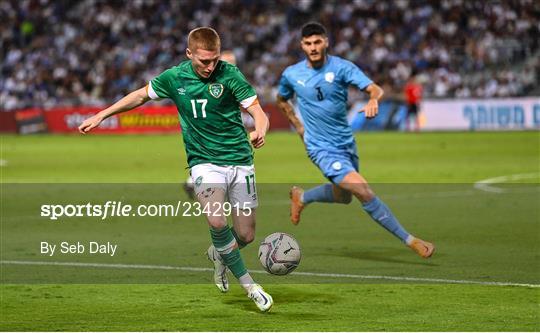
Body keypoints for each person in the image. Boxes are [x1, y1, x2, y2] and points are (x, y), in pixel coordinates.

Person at [78, 27, 273, 312]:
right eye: (204, 61)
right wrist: (102, 114)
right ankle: (250, 286)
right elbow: (140, 95)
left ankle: (221, 256)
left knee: (245, 235)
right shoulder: (174, 77)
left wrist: (261, 129)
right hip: (203, 162)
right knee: (217, 222)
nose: (210, 67)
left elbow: (258, 112)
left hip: (240, 160)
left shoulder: (230, 75)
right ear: (189, 54)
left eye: (214, 60)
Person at [276, 22, 434, 259]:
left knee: (344, 196)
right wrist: (298, 126)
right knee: (363, 191)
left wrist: (373, 100)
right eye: (308, 43)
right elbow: (281, 99)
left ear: (326, 42)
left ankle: (303, 197)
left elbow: (375, 89)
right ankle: (411, 240)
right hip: (320, 147)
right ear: (302, 45)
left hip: (345, 143)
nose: (313, 47)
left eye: (317, 42)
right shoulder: (291, 74)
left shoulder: (342, 68)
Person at [183, 50, 239, 200]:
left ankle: (193, 182)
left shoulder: (231, 80)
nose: (230, 66)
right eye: (227, 62)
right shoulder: (210, 82)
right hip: (210, 130)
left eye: (232, 63)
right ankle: (196, 182)